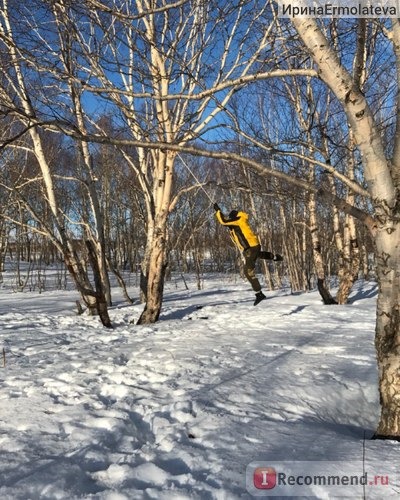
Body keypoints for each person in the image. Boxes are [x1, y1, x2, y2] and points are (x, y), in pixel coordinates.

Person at [213, 203, 283, 306]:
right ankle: (275, 257)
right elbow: (230, 227)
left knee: (247, 271)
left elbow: (223, 222)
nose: (230, 220)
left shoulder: (238, 220)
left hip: (250, 247)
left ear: (234, 217)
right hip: (253, 246)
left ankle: (259, 294)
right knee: (259, 255)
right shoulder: (240, 221)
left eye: (230, 218)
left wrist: (218, 211)